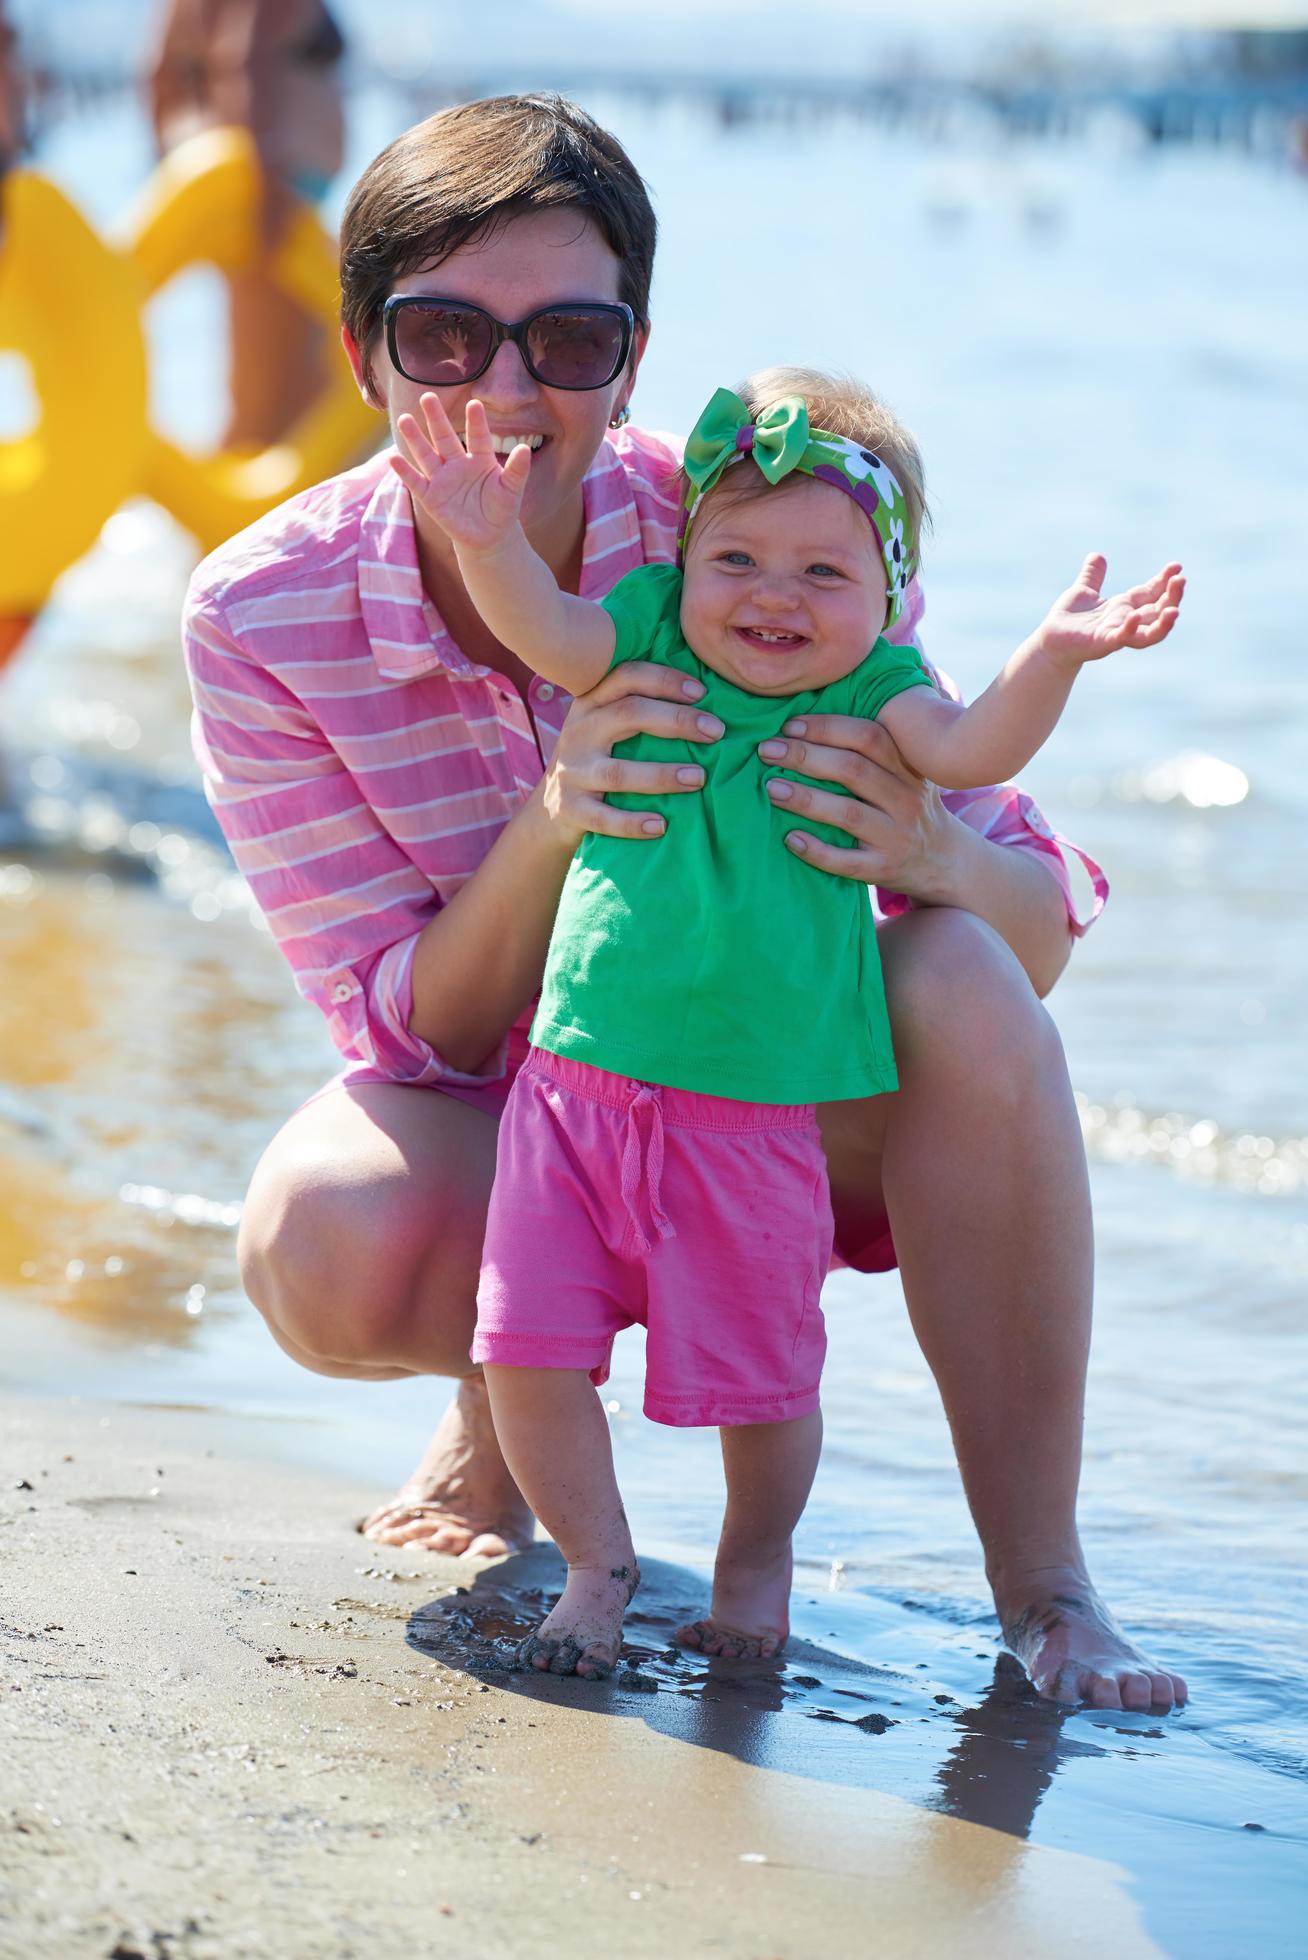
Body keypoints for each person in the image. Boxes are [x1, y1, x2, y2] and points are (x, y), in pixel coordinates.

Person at [183, 92, 1188, 1711]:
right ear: (365, 354)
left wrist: (935, 855)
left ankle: (1047, 1588)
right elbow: (412, 1035)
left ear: (630, 356)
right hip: (541, 1134)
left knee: (962, 986)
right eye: (443, 336)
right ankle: (503, 1415)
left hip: (779, 1113)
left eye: (565, 338)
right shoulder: (260, 614)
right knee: (327, 1227)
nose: (506, 390)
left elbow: (1037, 935)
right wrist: (556, 821)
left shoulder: (764, 534)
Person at [388, 370, 1183, 1676]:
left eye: (824, 573)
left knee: (761, 1383)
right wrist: (482, 535)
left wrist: (1053, 659)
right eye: (738, 557)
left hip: (755, 1119)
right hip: (571, 1093)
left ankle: (755, 1565)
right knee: (524, 1347)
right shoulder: (640, 635)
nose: (771, 595)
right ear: (686, 556)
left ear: (886, 598)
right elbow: (541, 628)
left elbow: (978, 748)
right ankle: (598, 1563)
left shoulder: (879, 699)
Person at [146, 0, 346, 447]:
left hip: (270, 191)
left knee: (294, 380)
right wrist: (263, 175)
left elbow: (156, 73)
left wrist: (176, 171)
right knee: (274, 391)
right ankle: (237, 512)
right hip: (276, 193)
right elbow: (244, 58)